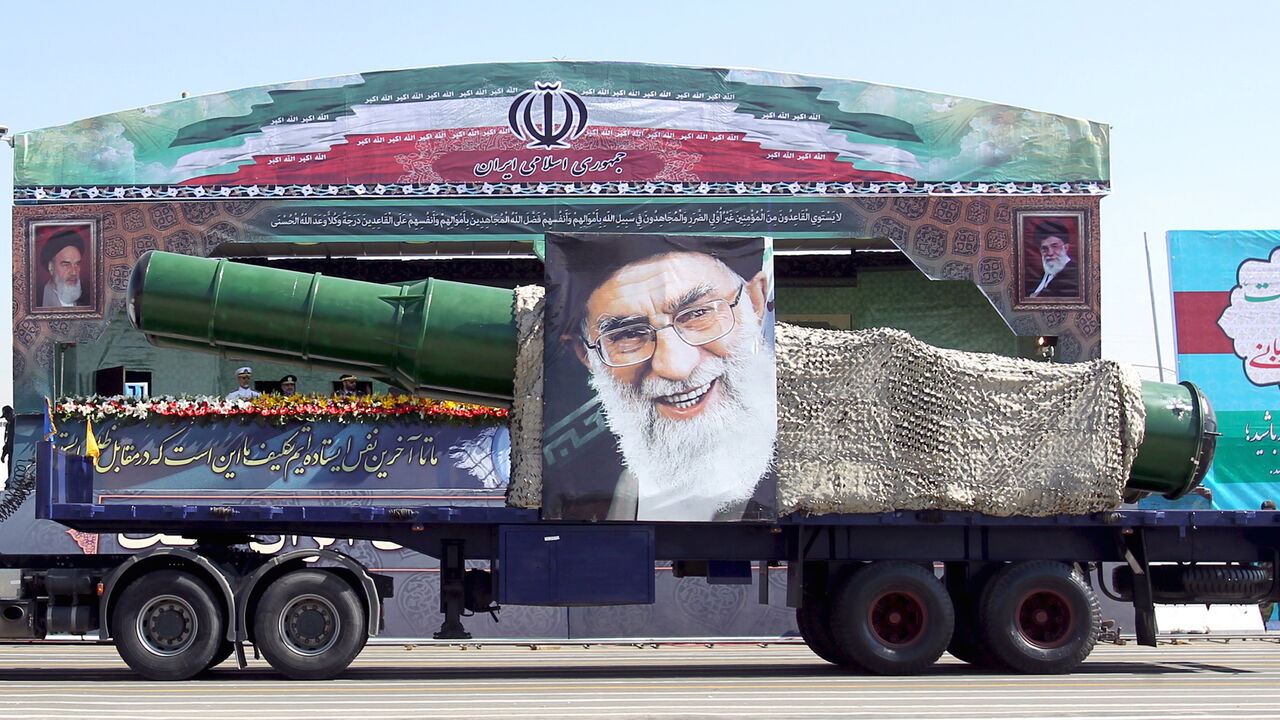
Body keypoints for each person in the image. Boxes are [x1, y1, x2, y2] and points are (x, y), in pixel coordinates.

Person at [569, 249, 776, 521]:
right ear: (587, 355)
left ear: (755, 301)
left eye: (698, 313)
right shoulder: (615, 492)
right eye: (629, 334)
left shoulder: (795, 468)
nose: (675, 367)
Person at [1025, 221, 1079, 299]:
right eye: (1044, 248)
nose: (1050, 253)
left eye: (1055, 246)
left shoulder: (1076, 274)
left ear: (1066, 248)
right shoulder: (1041, 274)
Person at [39, 229, 90, 308]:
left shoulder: (89, 300)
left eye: (77, 264)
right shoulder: (37, 301)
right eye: (66, 265)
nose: (74, 272)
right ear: (51, 267)